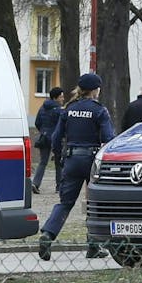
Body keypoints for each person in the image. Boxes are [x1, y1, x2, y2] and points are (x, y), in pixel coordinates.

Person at [37, 72, 115, 261]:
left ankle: (48, 234)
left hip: (71, 160)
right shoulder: (99, 110)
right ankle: (93, 245)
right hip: (91, 161)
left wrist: (60, 156)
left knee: (65, 203)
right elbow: (108, 138)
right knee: (94, 203)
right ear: (95, 90)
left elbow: (56, 138)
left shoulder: (68, 109)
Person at [31, 86, 65, 194]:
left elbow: (37, 122)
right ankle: (59, 186)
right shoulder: (59, 110)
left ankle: (35, 183)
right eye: (61, 97)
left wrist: (43, 131)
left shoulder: (42, 107)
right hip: (56, 139)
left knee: (42, 162)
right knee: (58, 163)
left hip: (44, 137)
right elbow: (62, 125)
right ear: (55, 98)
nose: (63, 99)